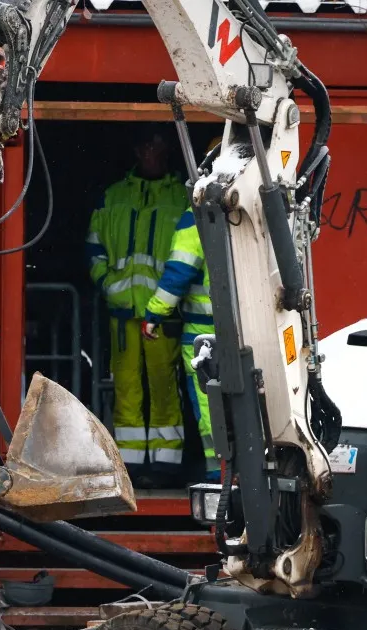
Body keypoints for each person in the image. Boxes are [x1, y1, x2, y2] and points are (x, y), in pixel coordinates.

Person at [86, 125, 190, 486]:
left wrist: (167, 298)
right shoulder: (112, 196)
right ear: (137, 150)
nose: (153, 152)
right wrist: (107, 285)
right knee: (126, 387)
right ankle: (128, 467)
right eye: (147, 145)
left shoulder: (183, 198)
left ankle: (165, 465)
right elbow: (94, 246)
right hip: (123, 312)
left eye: (159, 146)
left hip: (163, 313)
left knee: (164, 387)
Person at [143, 138, 222, 481]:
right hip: (256, 329)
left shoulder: (199, 215)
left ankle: (219, 479)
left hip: (205, 335)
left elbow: (179, 272)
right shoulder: (262, 208)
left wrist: (154, 314)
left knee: (211, 408)